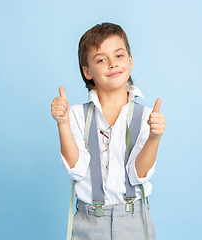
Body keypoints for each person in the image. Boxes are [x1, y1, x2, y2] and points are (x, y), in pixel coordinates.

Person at [51, 22, 165, 240]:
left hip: (134, 221)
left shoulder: (146, 117)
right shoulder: (76, 115)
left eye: (119, 56)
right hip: (89, 222)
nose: (113, 64)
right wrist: (62, 123)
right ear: (87, 72)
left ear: (130, 61)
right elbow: (76, 170)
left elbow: (137, 175)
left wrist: (154, 137)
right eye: (101, 59)